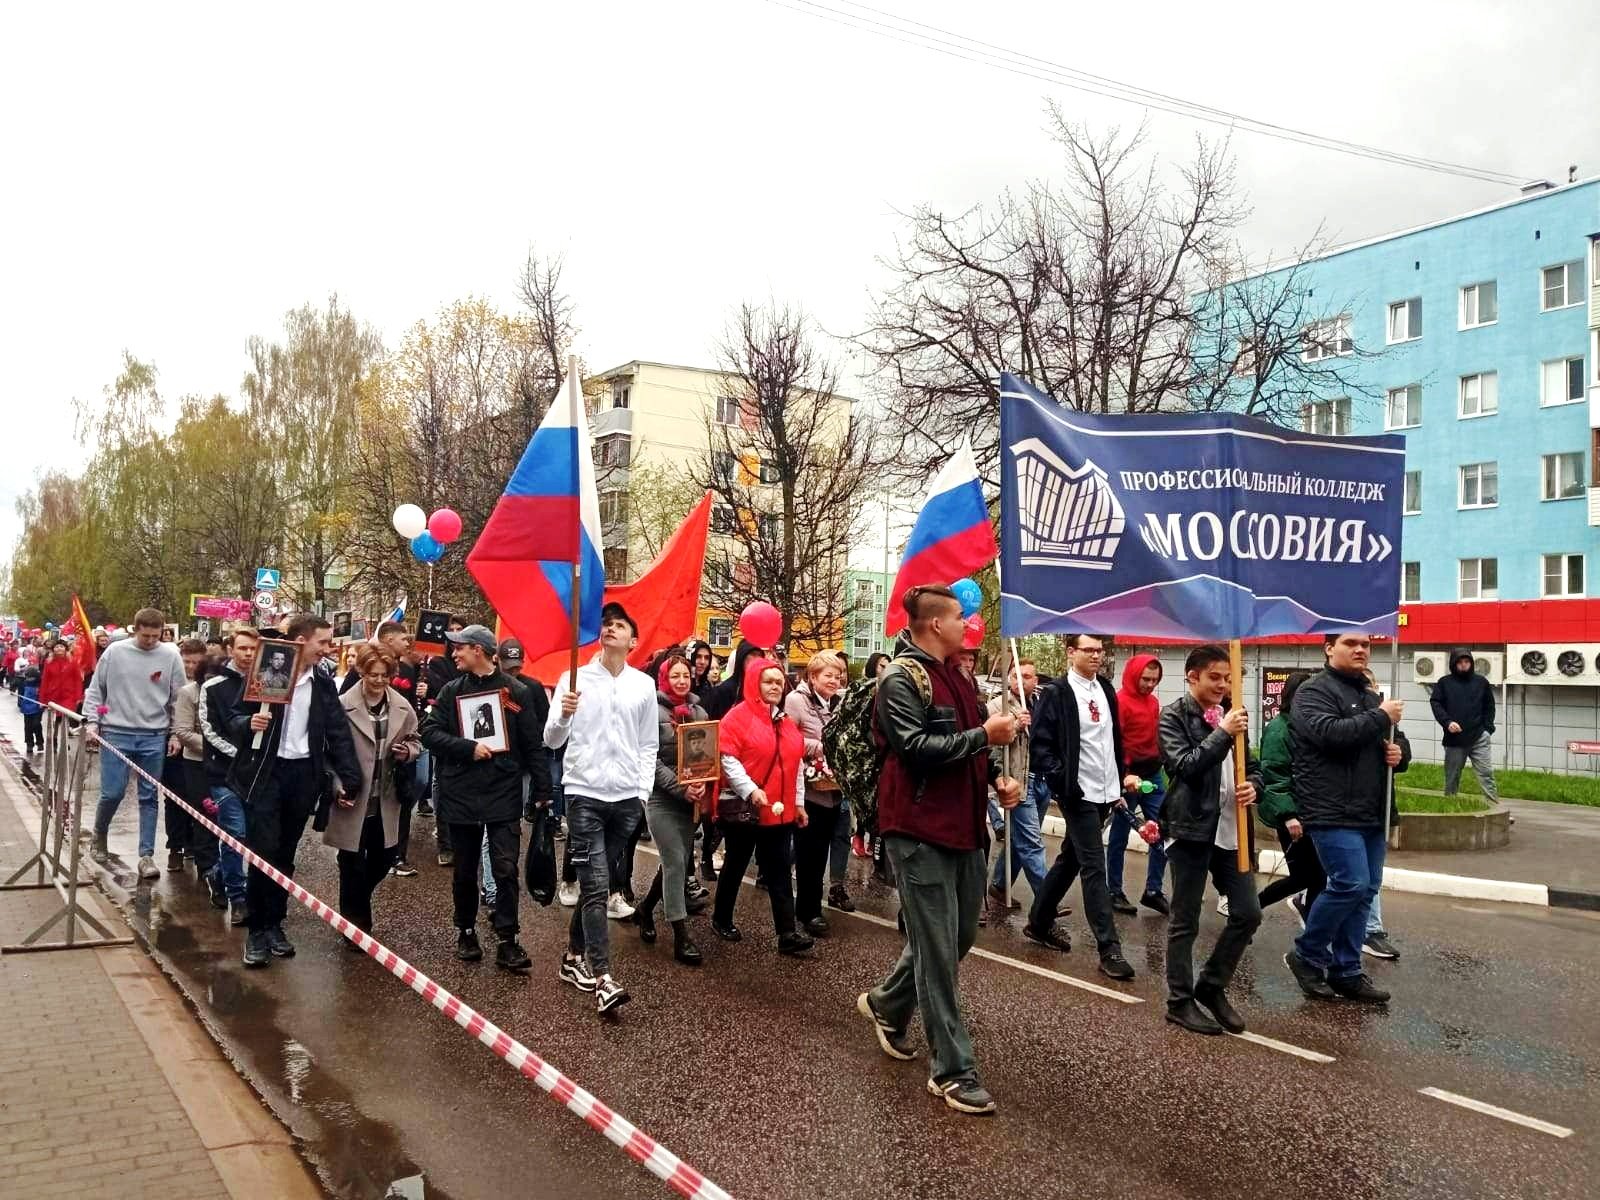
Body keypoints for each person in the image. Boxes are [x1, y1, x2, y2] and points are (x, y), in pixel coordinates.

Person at [857, 586, 1020, 1116]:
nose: (967, 624)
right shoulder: (901, 679)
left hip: (966, 828)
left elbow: (974, 745)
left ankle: (886, 1004)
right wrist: (983, 739)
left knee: (958, 937)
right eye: (958, 617)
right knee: (936, 951)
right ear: (933, 625)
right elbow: (914, 750)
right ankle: (952, 1071)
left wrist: (998, 779)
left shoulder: (961, 675)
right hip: (918, 829)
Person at [222, 614, 363, 969]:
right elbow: (235, 716)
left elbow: (337, 731)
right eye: (323, 643)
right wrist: (247, 724)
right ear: (300, 642)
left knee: (285, 852)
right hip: (266, 773)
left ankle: (274, 924)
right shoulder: (270, 670)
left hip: (303, 774)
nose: (328, 650)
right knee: (263, 850)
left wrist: (349, 776)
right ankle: (256, 929)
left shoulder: (323, 681)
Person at [545, 603, 656, 1013]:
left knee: (597, 882)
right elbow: (552, 740)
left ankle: (572, 959)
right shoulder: (574, 678)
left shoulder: (643, 685)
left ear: (633, 640)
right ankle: (603, 978)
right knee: (595, 886)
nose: (610, 629)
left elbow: (648, 745)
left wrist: (642, 792)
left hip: (625, 799)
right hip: (584, 794)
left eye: (620, 625)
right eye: (606, 624)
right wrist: (562, 715)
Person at [1283, 632, 1405, 1005]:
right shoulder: (1314, 692)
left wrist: (1399, 753)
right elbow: (1329, 734)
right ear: (1328, 648)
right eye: (1351, 643)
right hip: (1331, 807)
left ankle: (1347, 970)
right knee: (1350, 883)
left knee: (1366, 891)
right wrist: (1380, 716)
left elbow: (1393, 741)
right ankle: (1306, 955)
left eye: (1366, 645)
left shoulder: (1370, 696)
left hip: (1370, 808)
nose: (1360, 650)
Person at [423, 624, 548, 973]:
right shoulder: (450, 692)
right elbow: (429, 732)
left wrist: (543, 790)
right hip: (461, 792)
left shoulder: (516, 692)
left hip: (503, 792)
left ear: (478, 649)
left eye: (459, 648)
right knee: (464, 870)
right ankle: (465, 930)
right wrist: (467, 748)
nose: (454, 654)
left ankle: (507, 937)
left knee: (505, 867)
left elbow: (532, 744)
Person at [1158, 645, 1264, 1035]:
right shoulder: (1173, 716)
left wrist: (1254, 785)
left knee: (1248, 912)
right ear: (1193, 677)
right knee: (1185, 920)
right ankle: (1180, 1001)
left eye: (1227, 677)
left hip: (1231, 829)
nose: (1222, 684)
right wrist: (1222, 733)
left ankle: (1212, 985)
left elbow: (1253, 768)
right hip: (1191, 828)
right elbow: (1184, 766)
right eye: (1214, 677)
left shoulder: (1235, 716)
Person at [1022, 633, 1138, 981]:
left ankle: (1039, 921)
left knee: (1071, 857)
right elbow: (1041, 746)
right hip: (1079, 793)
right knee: (1092, 865)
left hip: (1105, 791)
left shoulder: (1104, 688)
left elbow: (1111, 740)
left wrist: (1118, 781)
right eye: (1088, 650)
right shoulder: (1057, 692)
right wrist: (1063, 784)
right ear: (1070, 652)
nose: (1095, 656)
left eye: (1099, 651)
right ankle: (1109, 948)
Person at [712, 656, 811, 955]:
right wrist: (751, 790)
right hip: (749, 809)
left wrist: (799, 803)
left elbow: (794, 765)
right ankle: (721, 918)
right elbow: (728, 759)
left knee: (780, 871)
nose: (775, 687)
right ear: (755, 682)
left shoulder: (783, 721)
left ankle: (787, 933)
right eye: (768, 681)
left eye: (779, 682)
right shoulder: (737, 717)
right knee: (736, 865)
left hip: (778, 812)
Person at [326, 644, 421, 944]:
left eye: (384, 675)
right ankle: (356, 925)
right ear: (361, 672)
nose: (379, 681)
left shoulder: (403, 706)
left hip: (387, 797)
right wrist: (336, 784)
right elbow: (328, 751)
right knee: (351, 860)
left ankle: (354, 903)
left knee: (384, 857)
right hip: (354, 796)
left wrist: (408, 751)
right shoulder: (341, 705)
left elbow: (416, 740)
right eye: (372, 674)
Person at [84, 608, 185, 879]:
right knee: (113, 792)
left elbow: (178, 699)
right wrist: (92, 723)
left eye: (155, 636)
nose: (150, 641)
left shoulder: (171, 655)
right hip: (117, 732)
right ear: (135, 629)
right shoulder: (115, 653)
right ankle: (100, 832)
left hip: (154, 735)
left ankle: (146, 855)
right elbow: (96, 690)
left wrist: (175, 734)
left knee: (149, 796)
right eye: (145, 635)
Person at [631, 654, 711, 965]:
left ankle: (645, 909)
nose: (681, 680)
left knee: (672, 861)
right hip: (661, 799)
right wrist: (680, 786)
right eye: (675, 675)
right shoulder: (652, 711)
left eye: (686, 676)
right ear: (665, 678)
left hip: (689, 802)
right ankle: (681, 935)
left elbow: (705, 756)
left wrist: (703, 783)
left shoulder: (699, 710)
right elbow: (649, 760)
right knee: (677, 863)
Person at [786, 650, 847, 936]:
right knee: (809, 851)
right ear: (812, 677)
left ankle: (811, 904)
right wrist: (821, 748)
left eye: (837, 676)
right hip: (808, 789)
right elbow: (789, 738)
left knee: (822, 849)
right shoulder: (796, 701)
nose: (834, 681)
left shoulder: (841, 701)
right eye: (828, 676)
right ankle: (808, 911)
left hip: (833, 788)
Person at [1256, 672, 1323, 928]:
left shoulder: (1306, 726)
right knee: (1306, 876)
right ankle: (1250, 910)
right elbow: (1274, 774)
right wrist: (1288, 815)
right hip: (1292, 815)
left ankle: (1311, 926)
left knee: (1315, 877)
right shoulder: (1279, 729)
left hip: (1311, 812)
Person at [1107, 653, 1169, 915]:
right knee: (1120, 835)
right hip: (1128, 776)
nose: (1150, 684)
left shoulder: (1153, 702)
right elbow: (1113, 742)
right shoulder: (1119, 701)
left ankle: (1153, 890)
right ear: (1134, 675)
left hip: (1153, 774)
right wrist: (1122, 777)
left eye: (1155, 679)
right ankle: (1114, 891)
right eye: (1146, 679)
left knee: (1163, 832)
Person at [984, 658, 1044, 914]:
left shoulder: (1039, 704)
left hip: (1041, 780)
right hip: (1016, 780)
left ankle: (999, 884)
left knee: (1018, 838)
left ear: (1035, 681)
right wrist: (1017, 725)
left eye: (1027, 676)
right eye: (1015, 675)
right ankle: (1047, 899)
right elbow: (992, 744)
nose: (1020, 680)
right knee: (1032, 842)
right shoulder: (998, 705)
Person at [174, 650, 225, 905]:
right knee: (205, 817)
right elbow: (183, 731)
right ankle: (209, 872)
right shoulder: (188, 694)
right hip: (198, 763)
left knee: (227, 820)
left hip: (229, 766)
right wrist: (215, 747)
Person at [161, 640, 208, 869]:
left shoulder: (205, 684)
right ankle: (175, 844)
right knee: (174, 796)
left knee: (196, 798)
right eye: (186, 661)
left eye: (196, 662)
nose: (190, 666)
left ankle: (193, 843)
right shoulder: (170, 680)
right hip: (173, 742)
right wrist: (173, 735)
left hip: (195, 746)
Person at [1430, 648, 1497, 804]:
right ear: (1453, 664)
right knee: (1452, 775)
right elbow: (1436, 703)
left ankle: (1494, 806)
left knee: (1486, 773)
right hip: (1455, 739)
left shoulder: (1481, 682)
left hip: (1479, 737)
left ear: (1471, 663)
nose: (1464, 665)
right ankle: (1450, 806)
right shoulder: (1444, 683)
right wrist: (1447, 723)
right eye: (1460, 662)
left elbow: (1489, 706)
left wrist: (1487, 729)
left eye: (1467, 662)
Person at [38, 639, 84, 716]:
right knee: (55, 720)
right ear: (53, 650)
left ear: (65, 648)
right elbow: (45, 681)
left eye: (61, 646)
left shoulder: (73, 661)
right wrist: (42, 699)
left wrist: (78, 697)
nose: (59, 648)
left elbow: (77, 680)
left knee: (65, 716)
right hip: (53, 695)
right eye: (57, 647)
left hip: (69, 695)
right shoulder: (48, 662)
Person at [18, 662, 43, 754]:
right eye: (28, 677)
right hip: (26, 708)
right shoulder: (24, 684)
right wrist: (20, 703)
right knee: (28, 727)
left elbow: (43, 695)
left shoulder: (40, 684)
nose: (30, 679)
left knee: (36, 724)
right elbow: (20, 695)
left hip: (37, 707)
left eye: (32, 678)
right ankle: (29, 743)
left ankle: (40, 742)